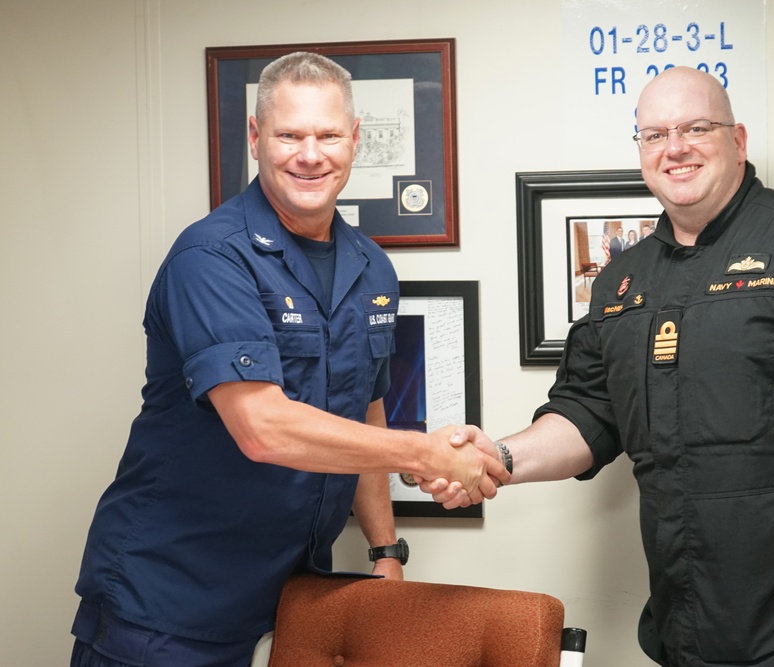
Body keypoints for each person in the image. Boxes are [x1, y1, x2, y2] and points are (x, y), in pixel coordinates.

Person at [427, 66, 774, 666]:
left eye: (695, 127)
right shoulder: (623, 281)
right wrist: (495, 459)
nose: (674, 148)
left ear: (739, 140)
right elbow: (588, 415)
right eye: (654, 135)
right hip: (687, 625)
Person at [70, 52, 507, 667]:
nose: (311, 154)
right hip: (170, 602)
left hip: (290, 599)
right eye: (289, 135)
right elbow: (263, 428)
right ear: (255, 138)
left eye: (328, 134)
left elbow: (367, 411)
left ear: (355, 141)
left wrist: (386, 551)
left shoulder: (371, 267)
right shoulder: (211, 258)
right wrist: (427, 453)